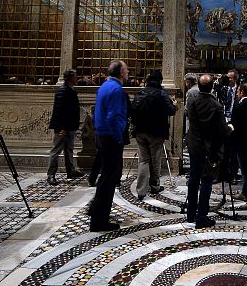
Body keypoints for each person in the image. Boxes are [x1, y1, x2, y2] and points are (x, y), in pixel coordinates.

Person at [186, 74, 232, 228]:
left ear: (199, 86)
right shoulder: (216, 106)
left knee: (193, 178)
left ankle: (190, 214)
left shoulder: (192, 101)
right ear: (212, 87)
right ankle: (202, 216)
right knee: (206, 180)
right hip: (208, 148)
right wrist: (229, 129)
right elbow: (221, 130)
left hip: (194, 145)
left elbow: (192, 122)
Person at [89, 60, 128, 233]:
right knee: (109, 179)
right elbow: (115, 117)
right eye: (126, 70)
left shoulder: (105, 86)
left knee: (105, 177)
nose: (128, 73)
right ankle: (99, 220)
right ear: (120, 73)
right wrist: (118, 136)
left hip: (102, 135)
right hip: (111, 137)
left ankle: (95, 212)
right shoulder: (117, 89)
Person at [131, 69, 177, 201]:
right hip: (156, 132)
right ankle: (155, 185)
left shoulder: (141, 92)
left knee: (143, 160)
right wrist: (174, 105)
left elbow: (133, 110)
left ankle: (141, 191)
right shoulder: (161, 93)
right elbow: (171, 111)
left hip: (140, 131)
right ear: (160, 80)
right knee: (155, 159)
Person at [46, 68, 83, 185]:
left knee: (69, 150)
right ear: (70, 78)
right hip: (63, 127)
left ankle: (70, 171)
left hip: (69, 126)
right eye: (75, 76)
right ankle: (51, 175)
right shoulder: (63, 91)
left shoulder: (70, 90)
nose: (77, 78)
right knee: (56, 151)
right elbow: (59, 111)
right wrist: (61, 128)